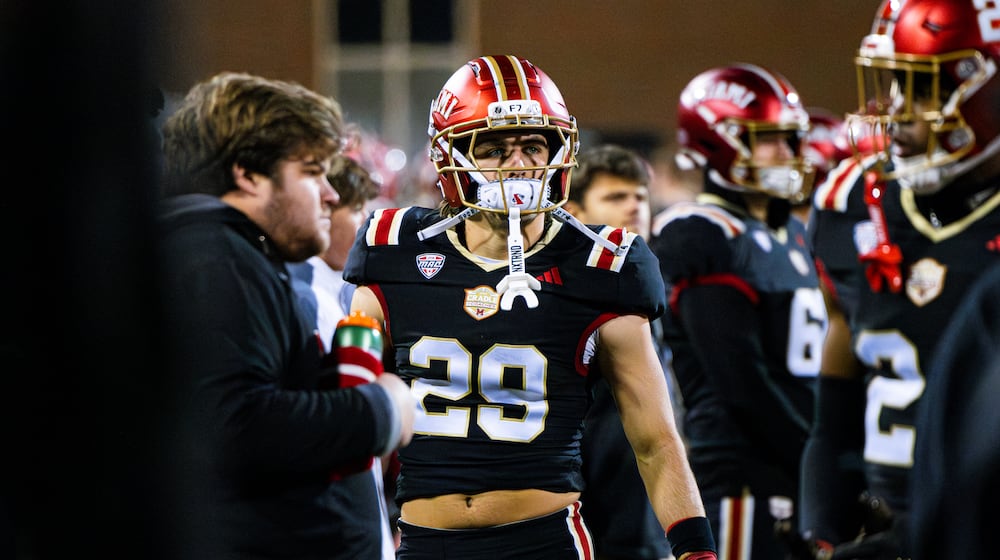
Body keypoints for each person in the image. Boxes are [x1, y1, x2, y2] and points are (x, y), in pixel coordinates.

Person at [343, 54, 717, 560]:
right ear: (451, 156)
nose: (518, 165)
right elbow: (347, 408)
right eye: (495, 148)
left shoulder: (602, 265)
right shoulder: (393, 251)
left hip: (543, 541)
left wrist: (695, 549)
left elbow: (656, 440)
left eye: (533, 146)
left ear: (559, 151)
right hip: (425, 542)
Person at [157, 71, 415, 559]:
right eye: (313, 171)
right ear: (248, 173)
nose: (331, 194)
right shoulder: (215, 257)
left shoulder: (229, 252)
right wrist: (379, 411)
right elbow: (235, 428)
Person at [795, 0, 1000, 558]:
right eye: (896, 84)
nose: (901, 111)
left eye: (927, 87)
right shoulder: (851, 202)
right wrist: (824, 529)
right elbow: (834, 408)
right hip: (884, 529)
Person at [648, 63, 827, 560]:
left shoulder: (787, 231)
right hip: (741, 474)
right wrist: (819, 461)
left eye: (792, 139)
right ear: (718, 141)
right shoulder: (699, 231)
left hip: (795, 465)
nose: (790, 155)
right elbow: (741, 382)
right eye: (771, 139)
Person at [286, 153, 398, 559]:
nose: (368, 223)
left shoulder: (339, 293)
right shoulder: (304, 295)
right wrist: (388, 406)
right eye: (358, 210)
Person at [564, 144, 672, 560]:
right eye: (615, 197)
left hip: (643, 495)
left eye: (640, 197)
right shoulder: (565, 296)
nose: (633, 208)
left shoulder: (648, 282)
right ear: (575, 212)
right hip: (593, 506)